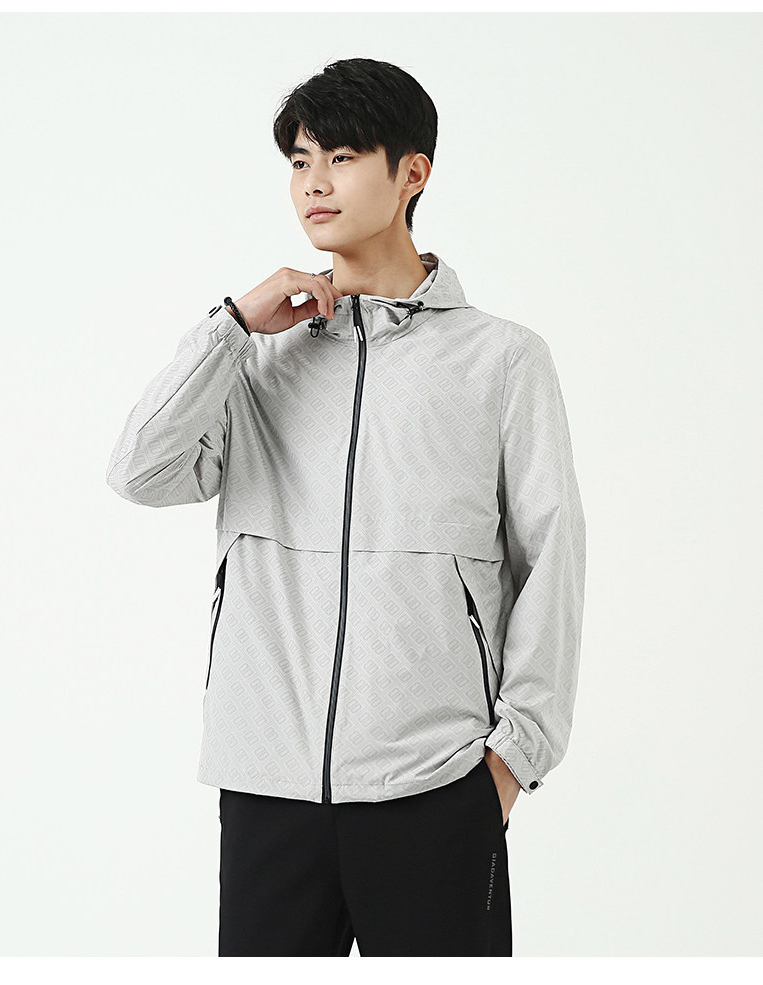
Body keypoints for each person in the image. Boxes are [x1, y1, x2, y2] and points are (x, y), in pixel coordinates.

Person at [105, 57, 586, 957]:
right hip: (267, 787)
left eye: (342, 156)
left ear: (413, 172)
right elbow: (140, 470)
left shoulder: (501, 360)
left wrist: (512, 760)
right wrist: (230, 326)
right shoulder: (256, 359)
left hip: (435, 785)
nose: (314, 182)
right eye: (299, 160)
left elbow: (550, 560)